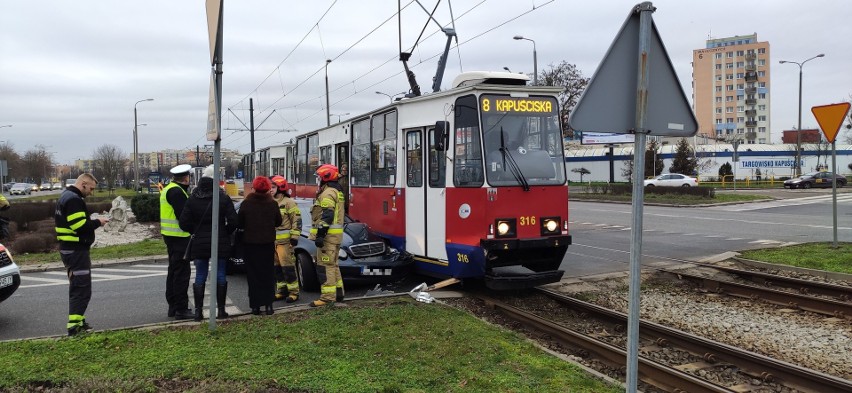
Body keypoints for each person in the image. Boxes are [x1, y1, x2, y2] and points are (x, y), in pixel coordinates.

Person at [179, 165, 238, 321]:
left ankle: (198, 312)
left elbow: (183, 223)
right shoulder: (222, 197)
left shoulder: (193, 198)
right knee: (220, 274)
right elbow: (234, 221)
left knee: (200, 275)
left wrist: (195, 232)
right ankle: (221, 311)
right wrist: (224, 231)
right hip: (220, 240)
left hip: (199, 242)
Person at [54, 173, 109, 336]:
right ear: (83, 184)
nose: (91, 192)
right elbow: (79, 226)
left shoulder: (66, 196)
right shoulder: (74, 200)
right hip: (76, 250)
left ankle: (78, 321)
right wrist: (98, 222)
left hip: (70, 249)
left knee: (78, 285)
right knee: (81, 287)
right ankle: (74, 327)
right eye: (91, 188)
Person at [238, 176, 282, 315]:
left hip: (250, 245)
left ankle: (255, 306)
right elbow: (278, 222)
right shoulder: (272, 204)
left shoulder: (246, 203)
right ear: (268, 188)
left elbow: (240, 223)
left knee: (253, 275)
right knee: (268, 274)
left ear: (254, 187)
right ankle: (269, 306)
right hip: (267, 244)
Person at [160, 164, 194, 320]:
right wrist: (194, 230)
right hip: (179, 237)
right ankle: (181, 309)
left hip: (170, 236)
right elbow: (184, 217)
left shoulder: (168, 189)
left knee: (173, 271)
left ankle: (173, 307)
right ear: (186, 178)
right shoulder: (177, 192)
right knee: (181, 274)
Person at [309, 164, 345, 307]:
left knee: (325, 266)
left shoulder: (327, 193)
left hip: (328, 238)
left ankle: (327, 298)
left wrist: (320, 235)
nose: (317, 180)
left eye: (318, 177)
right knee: (334, 265)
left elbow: (328, 215)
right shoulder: (336, 191)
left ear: (325, 177)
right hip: (335, 237)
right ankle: (339, 293)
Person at [270, 175, 302, 302]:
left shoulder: (289, 203)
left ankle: (294, 292)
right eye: (270, 187)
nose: (270, 190)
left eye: (273, 187)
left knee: (288, 267)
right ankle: (282, 291)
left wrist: (294, 238)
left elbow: (297, 221)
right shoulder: (270, 201)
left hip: (285, 242)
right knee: (277, 268)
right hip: (272, 242)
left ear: (281, 188)